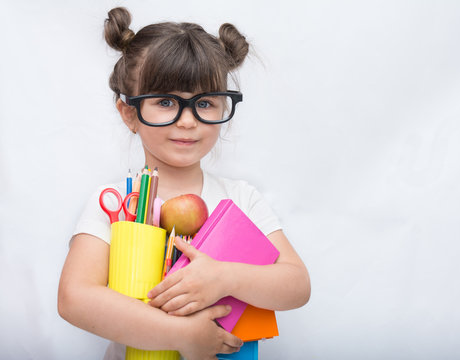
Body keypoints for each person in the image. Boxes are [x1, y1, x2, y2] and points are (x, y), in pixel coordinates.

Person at [57, 7, 311, 360]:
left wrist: (224, 278)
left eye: (204, 103)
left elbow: (296, 286)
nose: (188, 121)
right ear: (129, 113)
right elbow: (75, 298)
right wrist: (182, 335)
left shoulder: (241, 198)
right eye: (165, 102)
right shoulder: (115, 200)